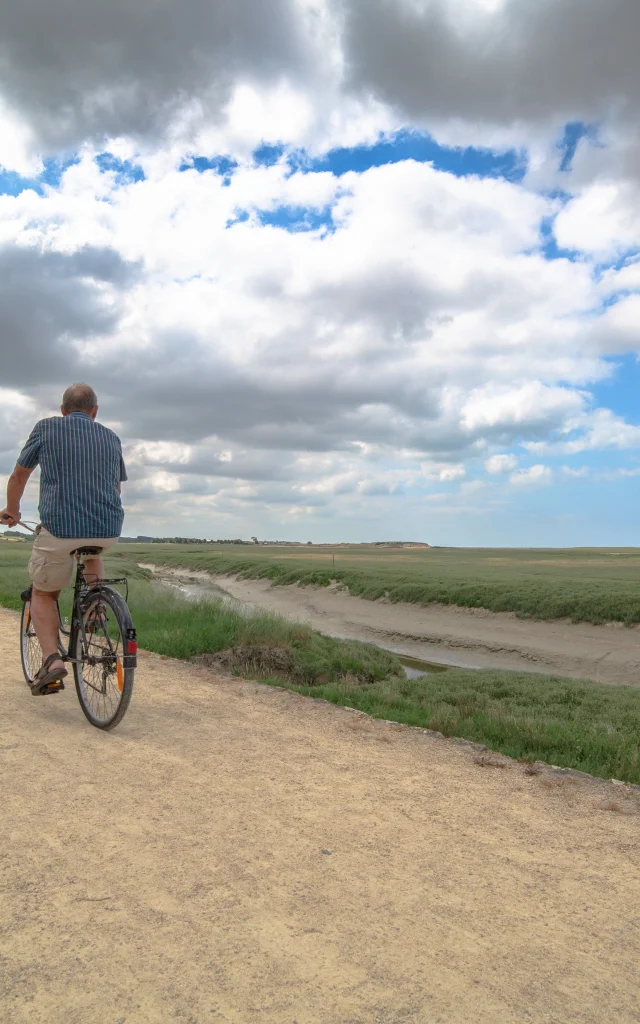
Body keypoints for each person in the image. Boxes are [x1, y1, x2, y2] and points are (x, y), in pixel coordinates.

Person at [1, 383, 127, 694]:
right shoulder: (112, 437)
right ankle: (97, 605)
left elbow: (19, 475)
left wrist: (12, 510)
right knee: (92, 552)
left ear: (63, 410)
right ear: (94, 412)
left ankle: (52, 661)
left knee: (44, 593)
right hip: (107, 529)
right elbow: (117, 487)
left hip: (59, 529)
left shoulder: (46, 428)